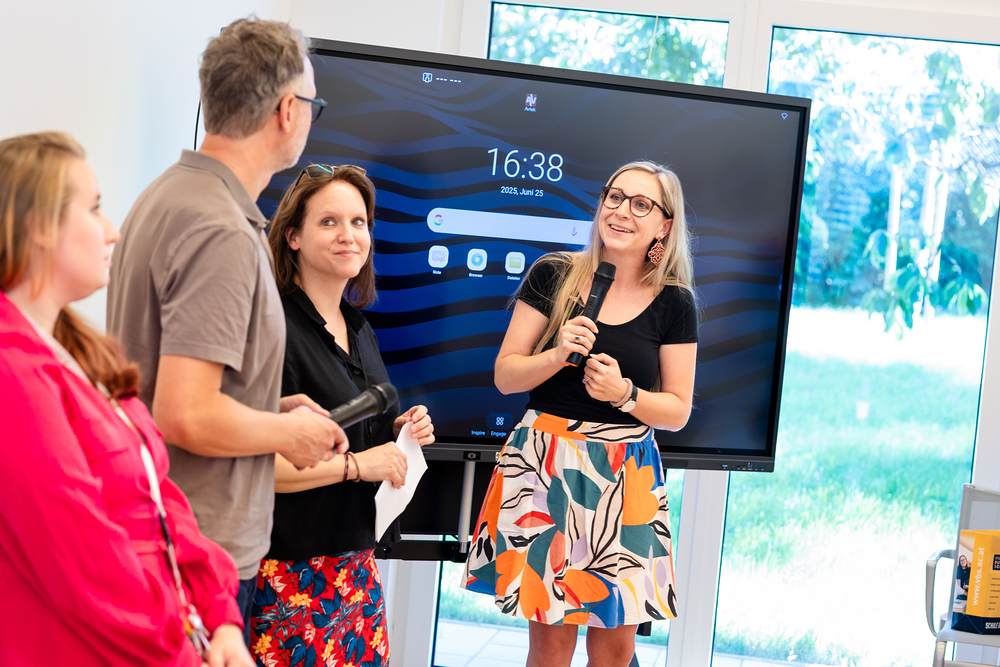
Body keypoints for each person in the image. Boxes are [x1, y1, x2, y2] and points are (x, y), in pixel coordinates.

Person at [107, 18, 348, 641]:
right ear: (288, 112)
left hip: (163, 532)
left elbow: (171, 377)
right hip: (198, 548)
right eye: (313, 105)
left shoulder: (169, 195)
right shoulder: (220, 230)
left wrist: (270, 407)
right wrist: (287, 432)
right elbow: (184, 412)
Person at [0, 131, 254, 666]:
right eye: (94, 209)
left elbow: (156, 500)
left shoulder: (72, 351)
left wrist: (220, 617)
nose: (112, 230)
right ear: (38, 226)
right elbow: (83, 562)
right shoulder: (13, 372)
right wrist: (184, 647)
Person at [461, 161, 698, 666]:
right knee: (550, 646)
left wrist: (625, 394)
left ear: (664, 225)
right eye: (615, 197)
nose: (621, 211)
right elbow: (505, 376)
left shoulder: (675, 301)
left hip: (625, 477)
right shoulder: (554, 273)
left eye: (641, 204)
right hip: (545, 466)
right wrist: (555, 355)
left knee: (615, 648)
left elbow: (677, 410)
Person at [248, 164, 435, 666]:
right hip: (290, 575)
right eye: (328, 222)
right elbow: (259, 461)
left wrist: (398, 431)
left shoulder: (358, 327)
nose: (348, 235)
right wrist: (358, 465)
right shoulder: (273, 326)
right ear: (293, 237)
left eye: (358, 222)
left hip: (354, 568)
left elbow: (349, 427)